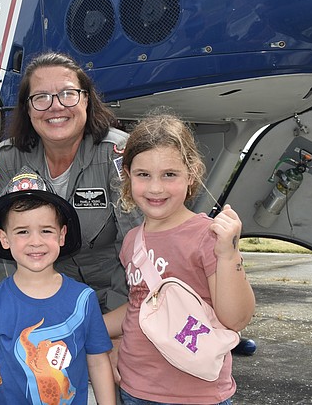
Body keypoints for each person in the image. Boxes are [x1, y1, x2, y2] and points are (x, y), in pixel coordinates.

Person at [105, 111, 255, 404]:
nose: (155, 187)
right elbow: (141, 305)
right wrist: (87, 326)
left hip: (196, 395)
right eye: (143, 175)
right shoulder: (133, 241)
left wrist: (228, 255)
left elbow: (236, 318)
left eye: (169, 174)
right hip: (134, 389)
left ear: (192, 174)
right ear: (127, 176)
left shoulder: (207, 236)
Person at [0, 51, 141, 314]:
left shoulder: (118, 154)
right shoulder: (7, 160)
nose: (56, 106)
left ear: (86, 100)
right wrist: (27, 309)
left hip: (115, 303)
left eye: (68, 94)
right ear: (27, 108)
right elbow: (2, 250)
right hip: (42, 302)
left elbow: (135, 245)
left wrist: (113, 322)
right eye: (41, 97)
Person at [0, 168, 116, 404]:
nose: (36, 242)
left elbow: (98, 362)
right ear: (4, 239)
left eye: (46, 231)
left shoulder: (83, 299)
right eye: (23, 232)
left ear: (62, 235)